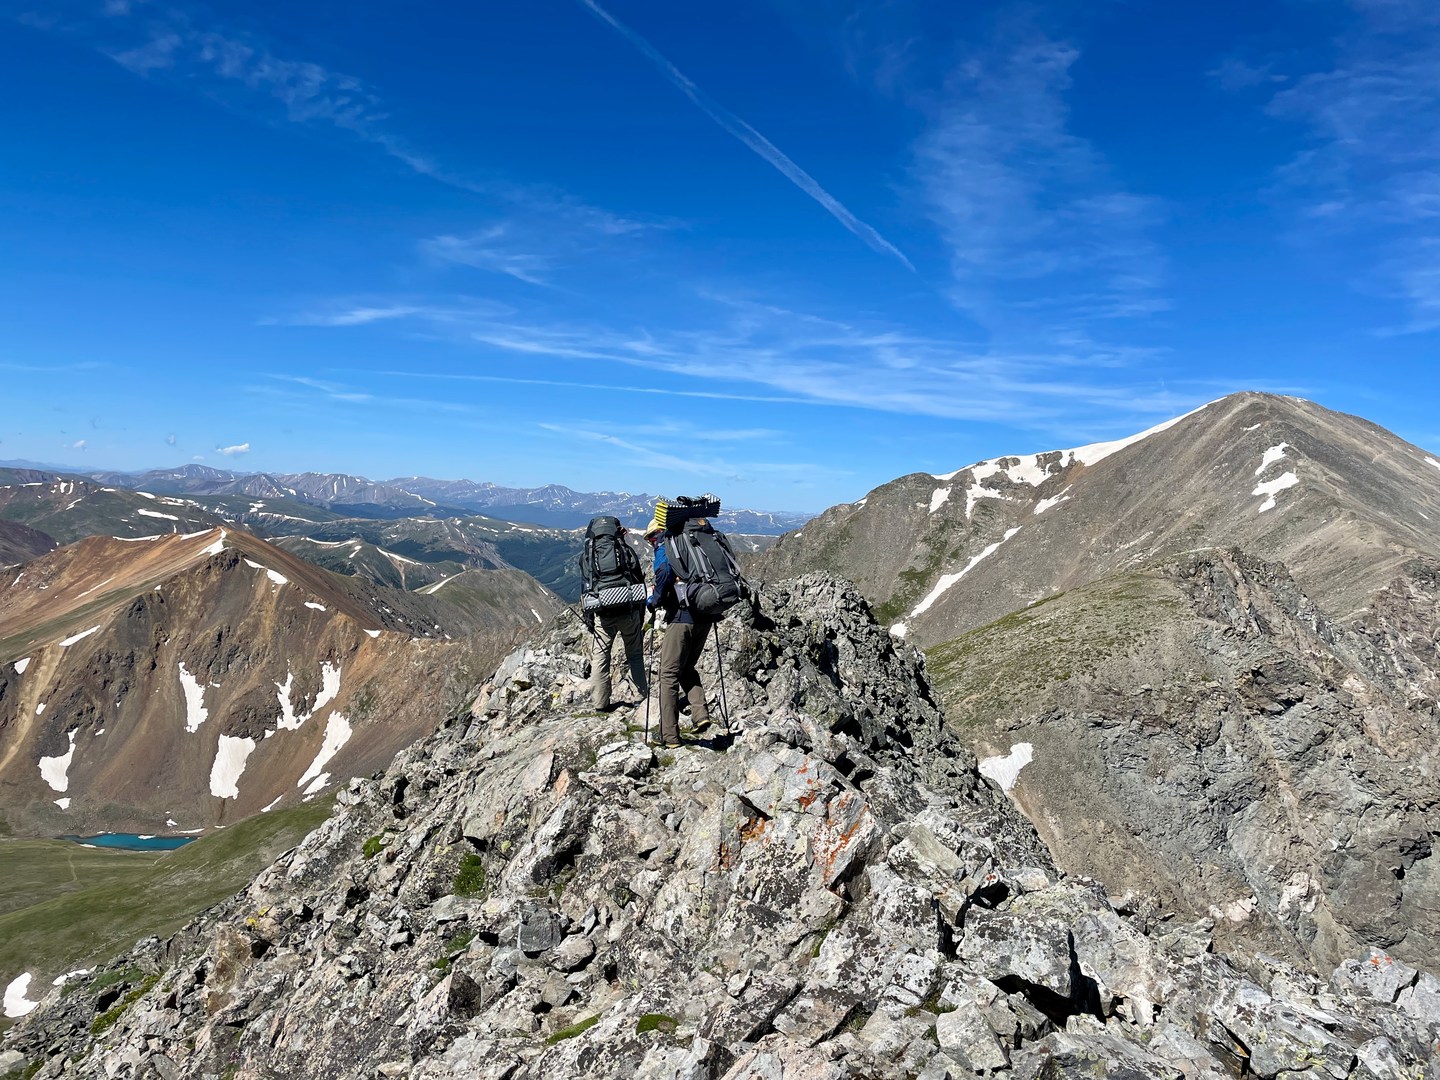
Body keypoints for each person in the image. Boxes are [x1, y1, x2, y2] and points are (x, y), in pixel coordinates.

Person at [644, 515, 712, 748]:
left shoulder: (667, 548)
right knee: (686, 668)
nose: (651, 542)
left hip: (681, 618)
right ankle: (700, 714)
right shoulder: (694, 544)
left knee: (668, 675)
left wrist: (654, 600)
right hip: (705, 616)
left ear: (657, 534)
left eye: (650, 537)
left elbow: (663, 573)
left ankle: (669, 736)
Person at [580, 517, 649, 712]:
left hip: (604, 613)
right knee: (634, 655)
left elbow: (585, 586)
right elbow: (637, 579)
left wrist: (589, 617)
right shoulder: (625, 551)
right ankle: (640, 698)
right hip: (628, 611)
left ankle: (600, 703)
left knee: (601, 658)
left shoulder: (588, 555)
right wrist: (640, 613)